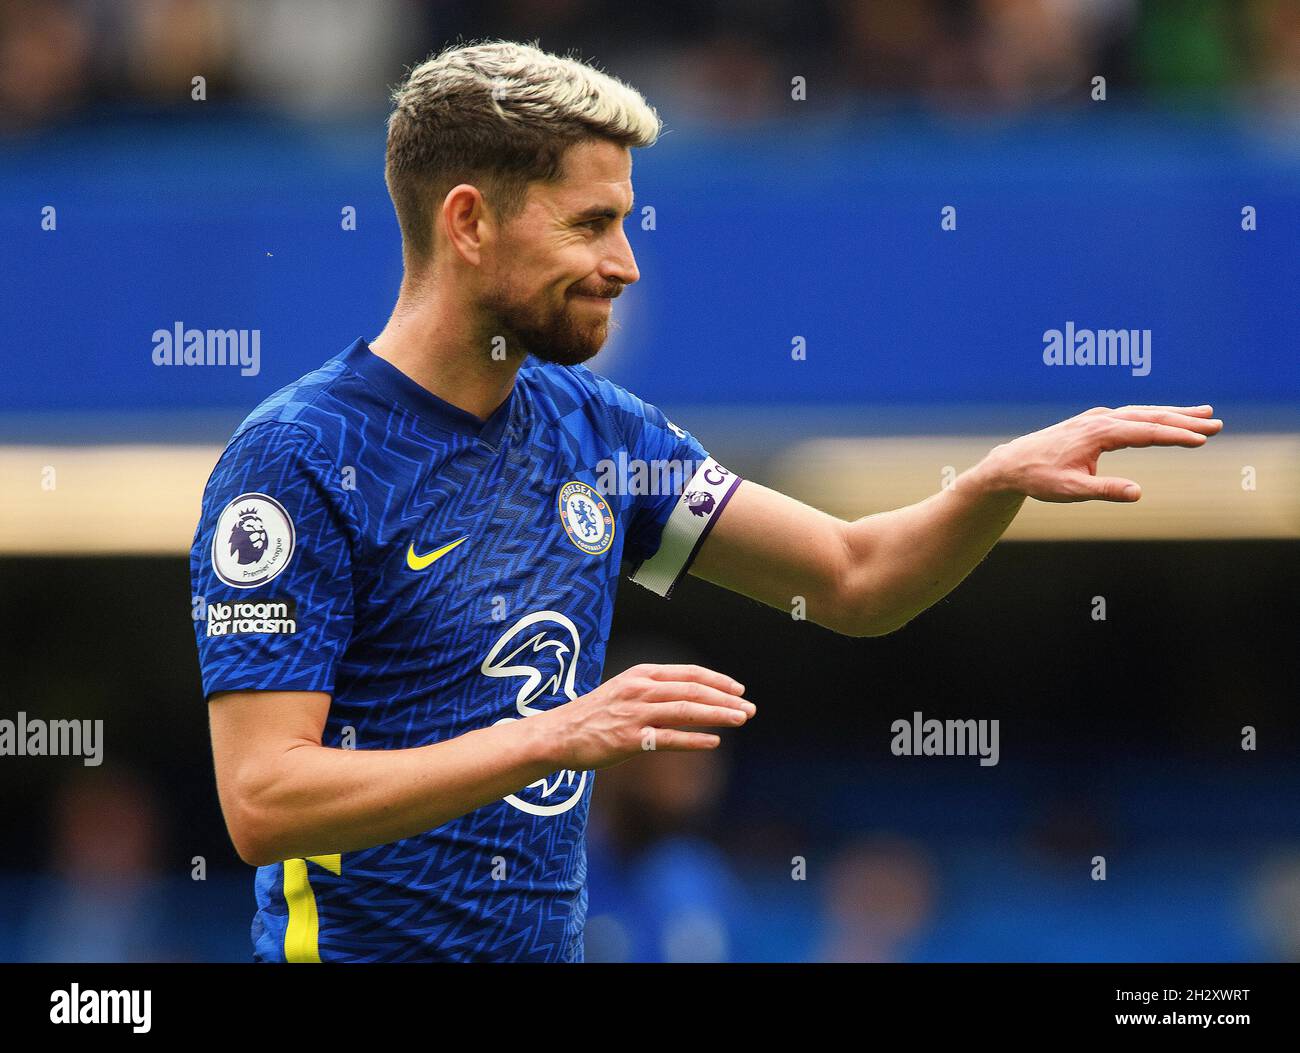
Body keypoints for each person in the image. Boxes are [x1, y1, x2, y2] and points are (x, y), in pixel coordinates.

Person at [190, 40, 1222, 963]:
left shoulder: (598, 434)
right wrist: (554, 735)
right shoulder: (300, 457)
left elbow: (855, 579)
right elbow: (263, 799)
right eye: (591, 224)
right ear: (469, 221)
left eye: (625, 223)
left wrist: (989, 486)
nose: (624, 265)